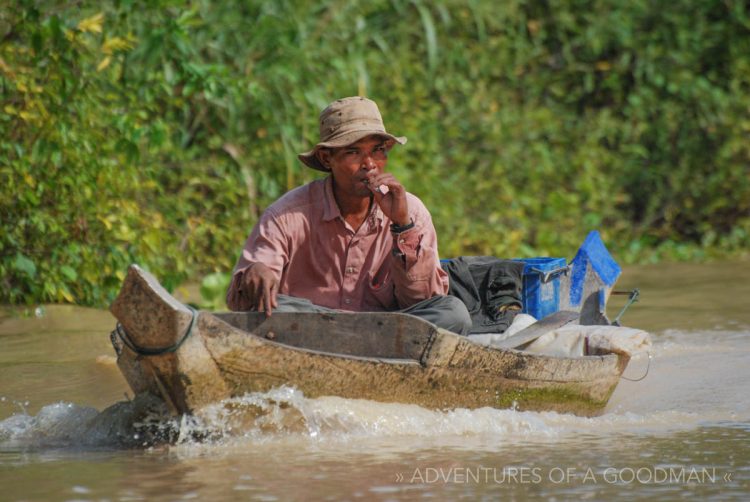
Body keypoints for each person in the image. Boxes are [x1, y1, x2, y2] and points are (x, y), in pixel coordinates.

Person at [226, 96, 471, 335]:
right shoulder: (287, 214)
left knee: (453, 312)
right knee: (277, 310)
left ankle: (360, 345)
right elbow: (246, 294)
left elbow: (422, 300)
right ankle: (348, 343)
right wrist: (256, 273)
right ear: (326, 158)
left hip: (385, 329)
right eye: (353, 152)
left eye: (378, 150)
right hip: (310, 327)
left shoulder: (410, 211)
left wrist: (402, 227)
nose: (369, 164)